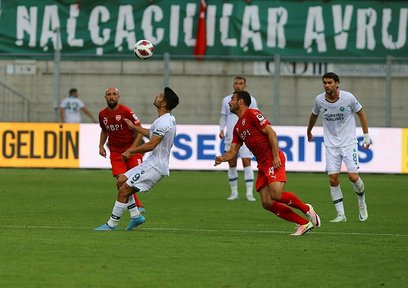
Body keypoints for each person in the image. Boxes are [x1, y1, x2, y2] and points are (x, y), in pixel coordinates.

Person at [214, 91, 321, 236]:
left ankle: (306, 209)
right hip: (262, 164)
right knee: (267, 202)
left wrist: (276, 156)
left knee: (276, 195)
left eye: (232, 99)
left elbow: (271, 132)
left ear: (240, 102)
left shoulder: (252, 113)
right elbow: (233, 152)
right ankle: (303, 224)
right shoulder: (237, 128)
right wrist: (222, 158)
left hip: (272, 158)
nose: (229, 102)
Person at [95, 87, 179, 231]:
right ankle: (135, 216)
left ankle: (112, 224)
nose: (156, 97)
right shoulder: (163, 119)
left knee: (124, 190)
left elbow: (152, 144)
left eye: (160, 96)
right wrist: (134, 127)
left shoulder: (164, 122)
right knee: (121, 182)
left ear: (164, 103)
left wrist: (131, 150)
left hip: (155, 166)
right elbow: (150, 133)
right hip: (150, 163)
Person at [307, 72, 371, 223]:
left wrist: (366, 135)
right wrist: (309, 130)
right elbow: (314, 115)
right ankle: (341, 215)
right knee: (333, 179)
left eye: (330, 82)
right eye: (324, 83)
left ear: (337, 83)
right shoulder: (319, 100)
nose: (327, 85)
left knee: (353, 177)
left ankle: (361, 203)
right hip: (331, 144)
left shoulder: (348, 98)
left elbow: (361, 113)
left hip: (349, 143)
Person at [98, 87, 145, 214]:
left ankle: (134, 210)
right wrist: (101, 145)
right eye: (108, 94)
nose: (111, 97)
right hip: (116, 152)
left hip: (132, 151)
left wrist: (132, 149)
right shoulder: (102, 114)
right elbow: (104, 131)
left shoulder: (126, 112)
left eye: (114, 94)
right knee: (122, 180)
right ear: (105, 97)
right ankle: (137, 208)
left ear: (118, 96)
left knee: (134, 180)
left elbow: (139, 130)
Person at [219, 76, 258, 201]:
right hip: (231, 136)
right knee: (232, 163)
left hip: (246, 136)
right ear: (233, 85)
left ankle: (249, 194)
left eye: (241, 83)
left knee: (247, 162)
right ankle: (234, 193)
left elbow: (256, 117)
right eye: (236, 83)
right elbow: (223, 116)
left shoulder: (251, 100)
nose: (238, 85)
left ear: (245, 85)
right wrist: (221, 129)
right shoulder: (227, 100)